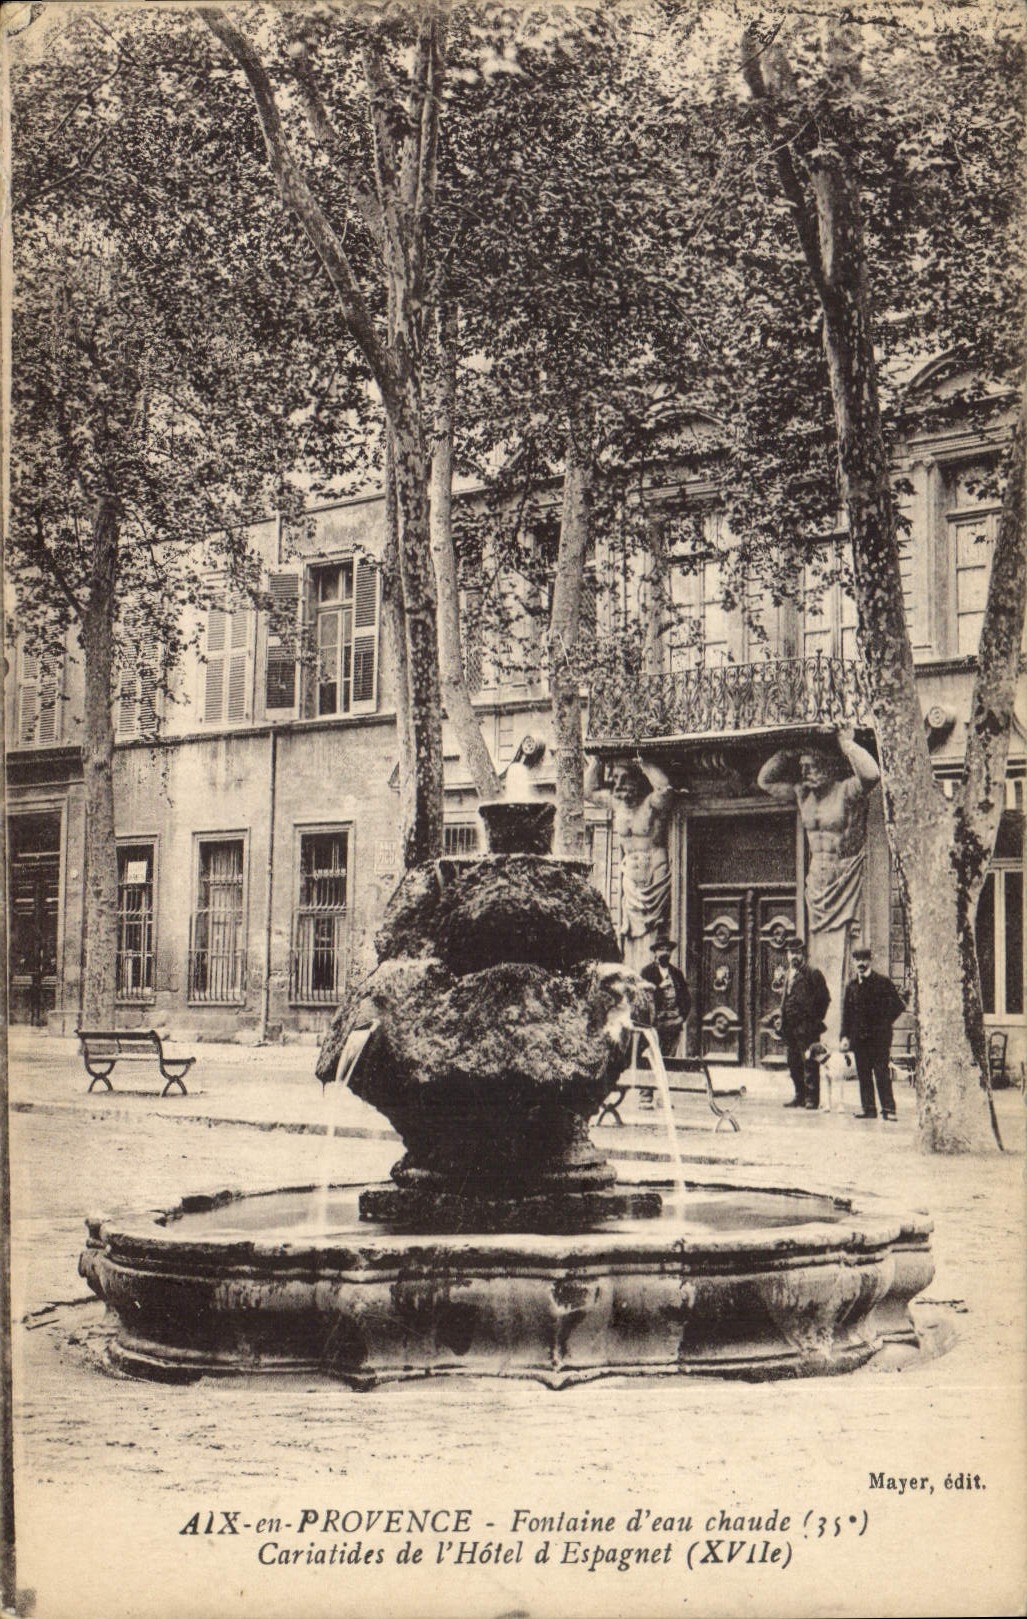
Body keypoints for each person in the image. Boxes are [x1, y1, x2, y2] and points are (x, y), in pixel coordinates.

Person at [757, 728, 880, 1047]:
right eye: (802, 768)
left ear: (827, 767)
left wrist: (845, 743)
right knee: (819, 952)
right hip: (816, 880)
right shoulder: (803, 794)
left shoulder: (845, 790)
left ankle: (835, 1037)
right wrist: (786, 752)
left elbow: (871, 775)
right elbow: (765, 782)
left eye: (811, 766)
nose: (805, 773)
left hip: (841, 877)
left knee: (838, 952)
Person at [584, 755, 676, 973]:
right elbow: (588, 791)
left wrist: (643, 761)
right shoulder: (617, 805)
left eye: (624, 777)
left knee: (657, 930)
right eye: (615, 778)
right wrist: (596, 761)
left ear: (637, 778)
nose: (619, 784)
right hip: (630, 882)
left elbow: (665, 790)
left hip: (654, 876)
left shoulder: (650, 804)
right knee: (631, 935)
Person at [840, 944, 907, 1120]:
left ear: (870, 960)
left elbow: (898, 1006)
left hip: (879, 1039)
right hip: (859, 1039)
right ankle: (868, 1109)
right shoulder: (851, 986)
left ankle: (889, 1109)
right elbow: (846, 1015)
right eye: (857, 960)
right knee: (863, 1074)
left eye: (864, 959)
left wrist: (882, 1023)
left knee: (881, 1073)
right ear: (853, 962)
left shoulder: (883, 982)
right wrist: (845, 1037)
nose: (860, 963)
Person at [778, 934, 830, 1110]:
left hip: (807, 1028)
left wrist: (814, 1021)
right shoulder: (788, 974)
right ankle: (799, 1096)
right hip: (790, 1028)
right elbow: (786, 999)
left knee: (809, 1063)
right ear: (787, 955)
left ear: (803, 954)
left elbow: (824, 999)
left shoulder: (813, 973)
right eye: (791, 953)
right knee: (794, 1063)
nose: (794, 956)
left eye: (797, 952)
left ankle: (812, 1099)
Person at [641, 935, 692, 1057]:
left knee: (670, 1057)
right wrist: (659, 988)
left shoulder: (676, 973)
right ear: (655, 952)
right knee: (655, 1057)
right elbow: (642, 997)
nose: (665, 953)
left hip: (674, 1023)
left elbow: (686, 998)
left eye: (668, 950)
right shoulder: (647, 972)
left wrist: (682, 1017)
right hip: (655, 1024)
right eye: (661, 949)